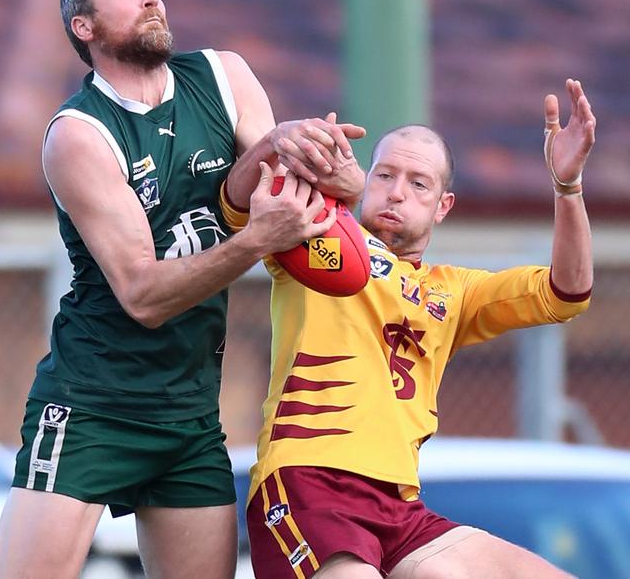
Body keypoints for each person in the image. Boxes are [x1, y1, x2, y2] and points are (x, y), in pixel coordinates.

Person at [0, 0, 366, 579]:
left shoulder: (224, 76)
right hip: (92, 402)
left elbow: (276, 193)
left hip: (189, 410)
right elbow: (142, 293)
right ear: (84, 26)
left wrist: (331, 172)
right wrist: (253, 243)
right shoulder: (79, 133)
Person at [222, 78, 595, 578]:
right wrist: (282, 145)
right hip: (308, 484)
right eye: (384, 176)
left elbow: (566, 293)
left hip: (399, 505)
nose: (396, 193)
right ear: (363, 179)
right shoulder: (317, 234)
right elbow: (238, 205)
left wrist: (567, 187)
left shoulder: (455, 291)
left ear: (443, 206)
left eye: (418, 183)